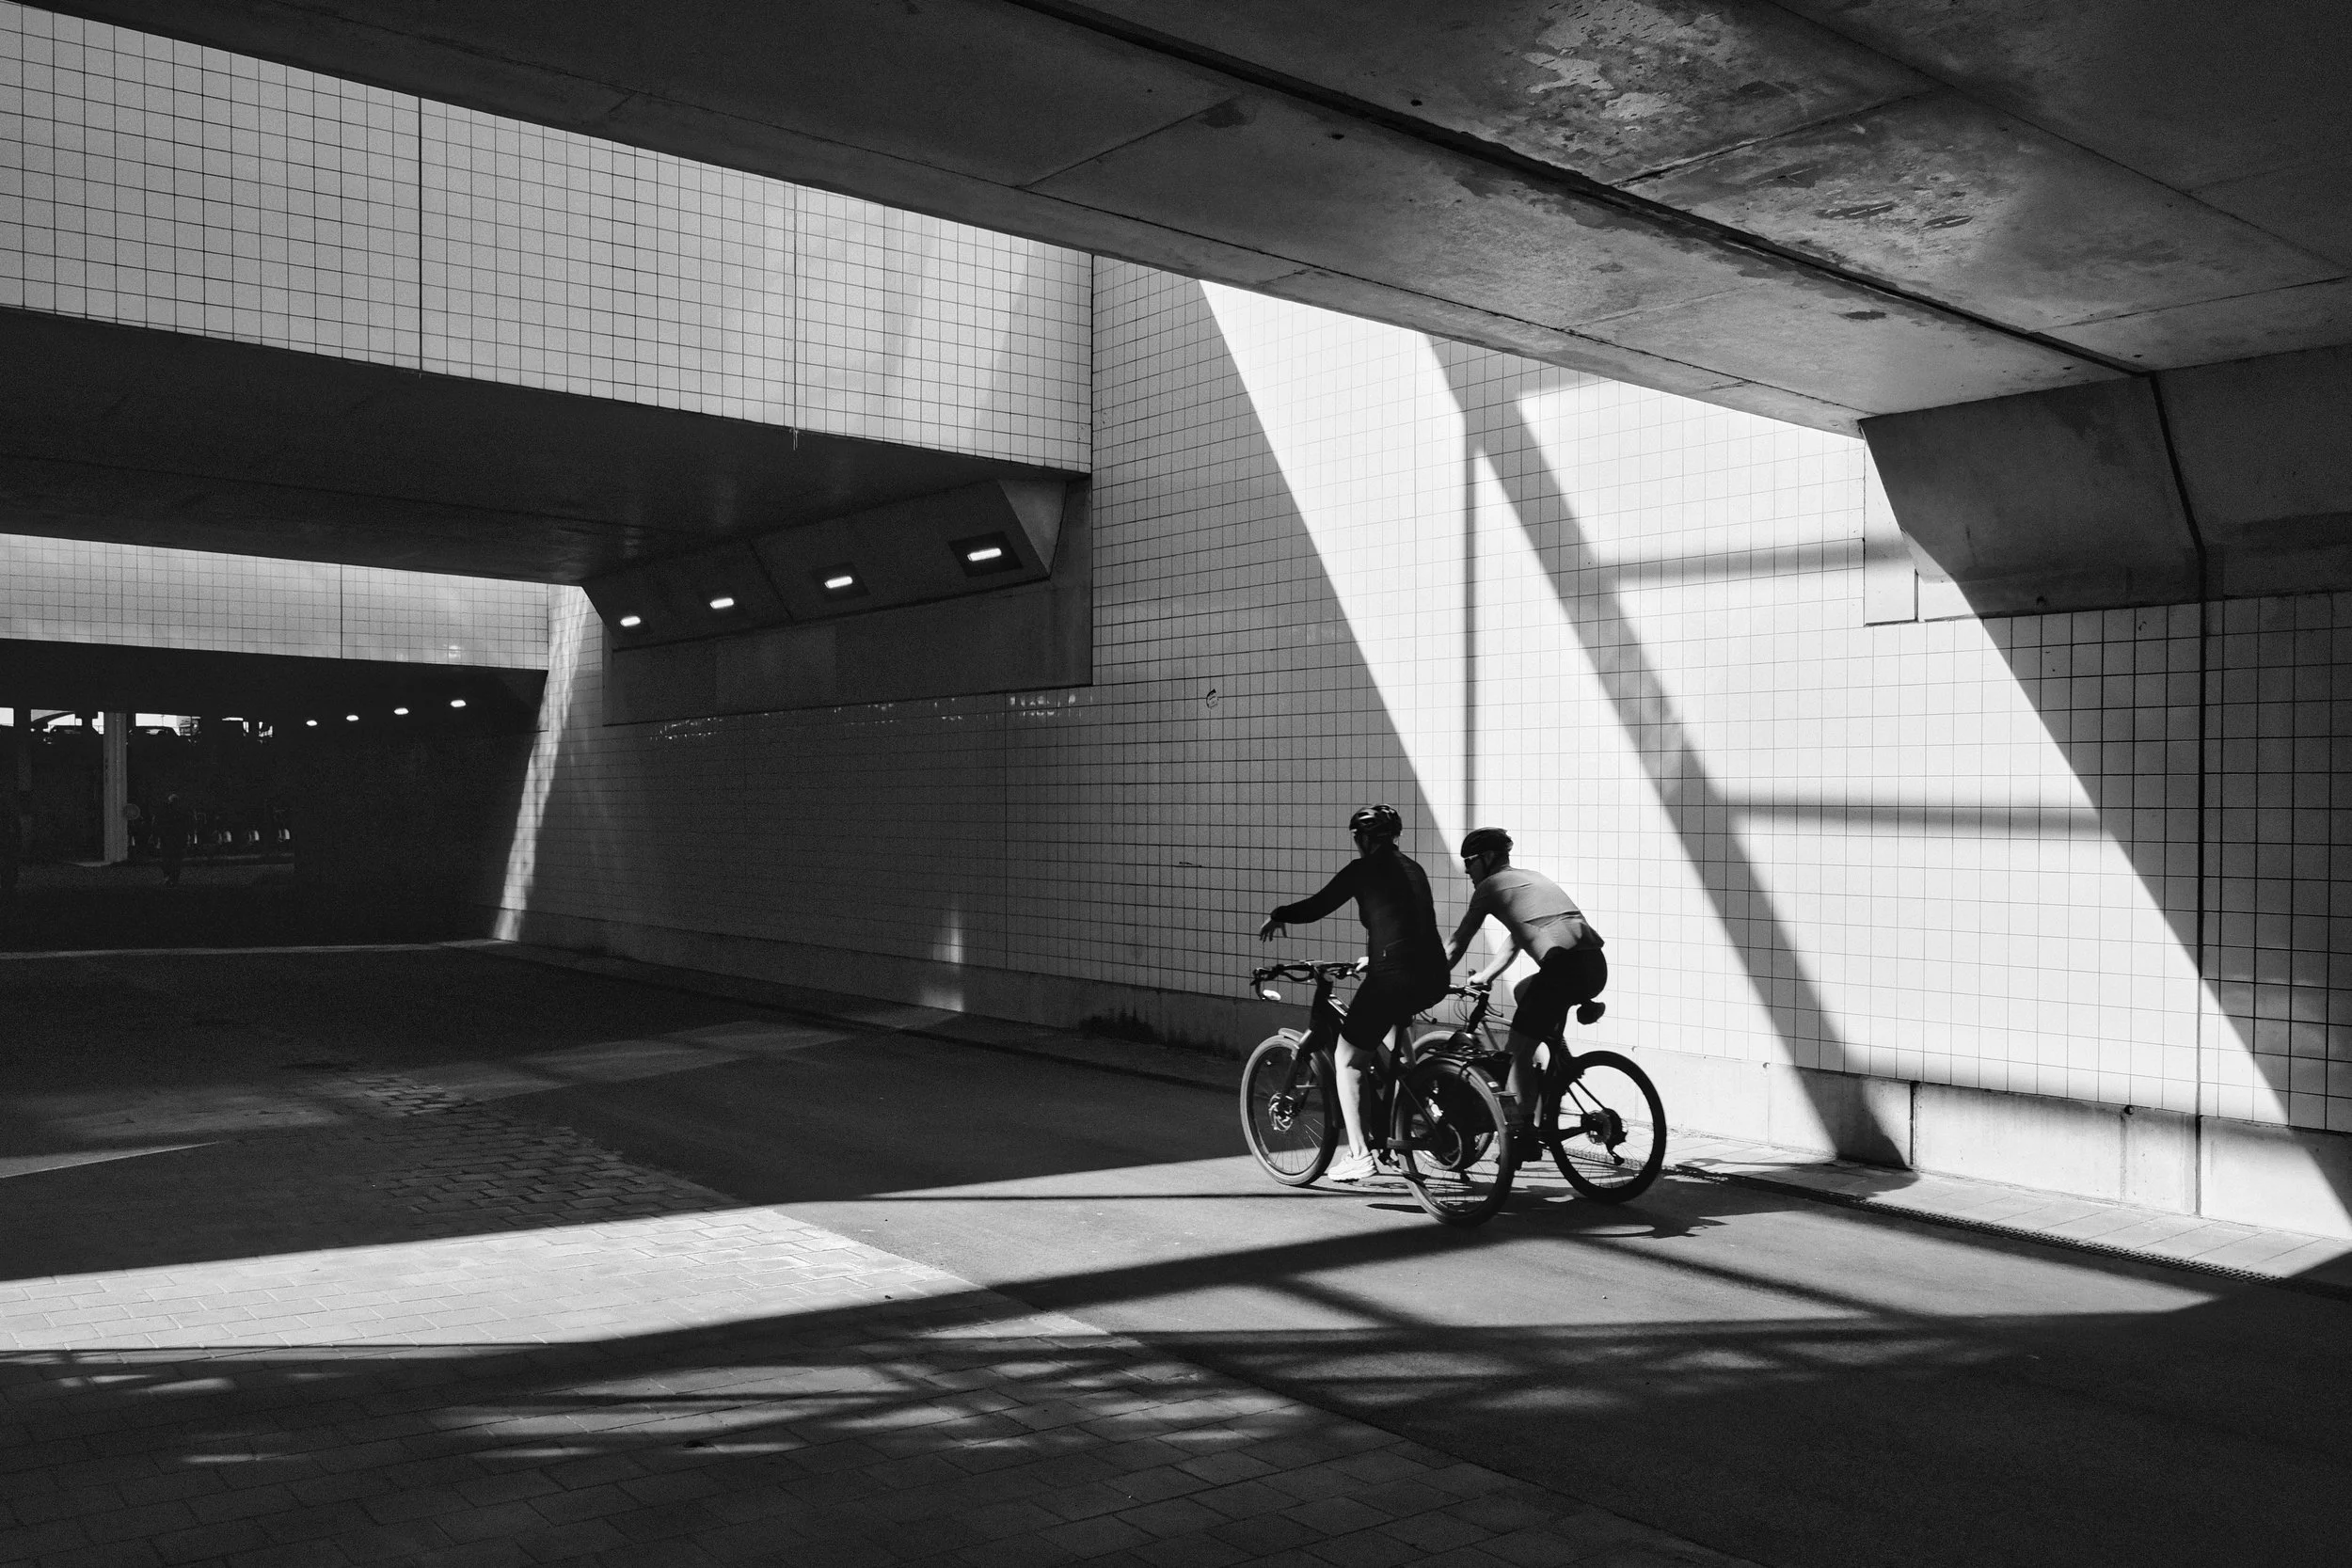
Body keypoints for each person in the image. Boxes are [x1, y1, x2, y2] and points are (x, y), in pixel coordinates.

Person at [1259, 804, 1450, 1182]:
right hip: (1433, 973)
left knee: (1348, 1060)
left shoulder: (1363, 870)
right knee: (1391, 1025)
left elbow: (1318, 906)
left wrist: (1279, 913)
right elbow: (1405, 920)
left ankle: (1361, 1154)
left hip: (1394, 974)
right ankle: (1422, 1099)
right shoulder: (1414, 868)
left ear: (1363, 839)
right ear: (1394, 836)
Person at [1444, 827, 1607, 1139]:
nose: (1469, 872)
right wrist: (1486, 976)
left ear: (1488, 858)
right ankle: (1561, 1060)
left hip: (1562, 970)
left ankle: (1522, 1134)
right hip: (1594, 967)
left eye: (1471, 863)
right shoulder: (1528, 879)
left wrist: (1430, 980)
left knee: (1518, 1052)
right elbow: (1515, 940)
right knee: (1524, 992)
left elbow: (1457, 943)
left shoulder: (1490, 887)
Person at [155, 792, 194, 886]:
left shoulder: (165, 813)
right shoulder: (183, 814)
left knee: (168, 861)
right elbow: (188, 827)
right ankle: (173, 879)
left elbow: (159, 826)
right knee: (175, 861)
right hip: (176, 841)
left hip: (169, 840)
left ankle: (169, 878)